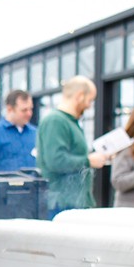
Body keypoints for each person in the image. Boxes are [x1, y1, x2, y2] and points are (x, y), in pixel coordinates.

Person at [35, 75, 109, 216]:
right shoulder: (56, 121)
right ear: (80, 96)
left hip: (73, 202)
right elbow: (56, 161)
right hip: (62, 203)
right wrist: (88, 161)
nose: (89, 105)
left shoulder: (69, 122)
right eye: (90, 100)